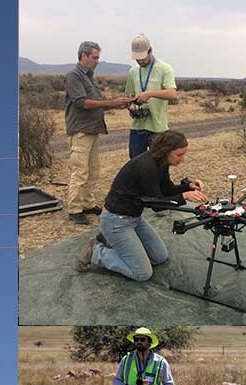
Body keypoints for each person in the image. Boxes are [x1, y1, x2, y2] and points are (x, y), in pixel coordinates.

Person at [76, 130, 208, 280]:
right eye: (179, 155)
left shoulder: (161, 162)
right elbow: (157, 205)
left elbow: (167, 190)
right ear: (166, 151)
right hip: (116, 220)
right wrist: (183, 196)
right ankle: (96, 252)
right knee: (142, 273)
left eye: (184, 154)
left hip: (134, 218)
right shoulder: (147, 166)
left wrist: (188, 186)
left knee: (159, 257)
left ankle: (113, 242)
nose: (182, 159)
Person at [65, 41, 132, 225]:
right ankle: (74, 209)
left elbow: (95, 102)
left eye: (97, 58)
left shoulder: (89, 76)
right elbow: (82, 103)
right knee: (80, 171)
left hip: (92, 129)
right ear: (84, 55)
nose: (97, 61)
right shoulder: (74, 76)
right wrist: (111, 103)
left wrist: (116, 104)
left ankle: (87, 203)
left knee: (93, 170)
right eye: (94, 57)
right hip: (81, 130)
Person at [125, 34, 178, 159]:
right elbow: (129, 95)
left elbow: (172, 93)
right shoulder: (133, 71)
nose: (140, 61)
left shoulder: (165, 68)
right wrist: (131, 107)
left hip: (158, 127)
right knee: (135, 164)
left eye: (142, 57)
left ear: (150, 51)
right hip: (137, 127)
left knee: (160, 163)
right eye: (137, 59)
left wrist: (150, 93)